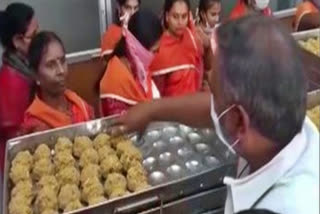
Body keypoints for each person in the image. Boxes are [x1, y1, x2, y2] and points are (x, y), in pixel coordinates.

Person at [111, 16, 319, 214]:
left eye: (214, 92)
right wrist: (152, 109)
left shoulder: (285, 205)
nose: (211, 98)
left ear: (239, 120)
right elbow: (213, 110)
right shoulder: (286, 123)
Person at [19, 32, 94, 134]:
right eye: (51, 65)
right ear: (35, 74)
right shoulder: (36, 124)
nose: (61, 71)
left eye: (62, 61)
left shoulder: (80, 106)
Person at [100, 9, 162, 116]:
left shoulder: (140, 70)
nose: (157, 54)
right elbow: (119, 126)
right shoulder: (115, 81)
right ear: (139, 49)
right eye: (154, 51)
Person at [0, 3, 38, 171]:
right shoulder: (12, 81)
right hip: (15, 163)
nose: (40, 40)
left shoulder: (26, 68)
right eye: (34, 35)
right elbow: (16, 136)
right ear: (17, 41)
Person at [150, 0, 204, 97]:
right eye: (175, 16)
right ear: (167, 17)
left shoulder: (191, 37)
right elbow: (157, 95)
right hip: (171, 109)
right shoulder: (158, 47)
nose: (180, 22)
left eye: (184, 16)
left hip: (195, 106)